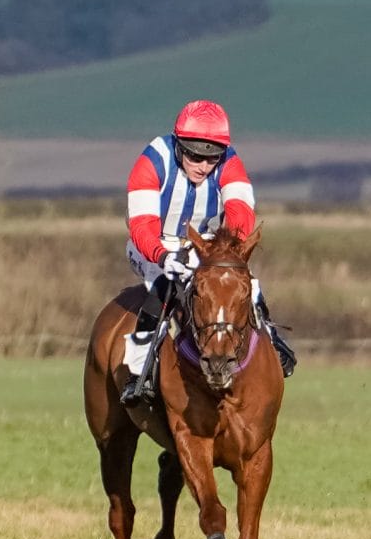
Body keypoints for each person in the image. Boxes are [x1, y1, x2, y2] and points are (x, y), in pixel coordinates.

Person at [118, 99, 295, 408]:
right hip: (152, 244)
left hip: (207, 245)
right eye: (195, 156)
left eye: (212, 158)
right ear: (178, 145)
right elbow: (142, 225)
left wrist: (229, 249)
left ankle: (273, 339)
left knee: (245, 284)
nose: (203, 166)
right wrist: (163, 256)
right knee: (164, 284)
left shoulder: (230, 161)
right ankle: (139, 372)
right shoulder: (152, 161)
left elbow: (240, 210)